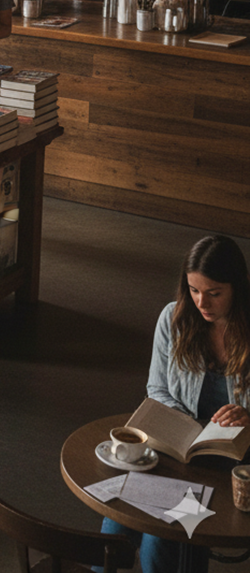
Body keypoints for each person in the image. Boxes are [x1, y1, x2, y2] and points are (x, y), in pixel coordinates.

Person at [99, 235, 250, 573]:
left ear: (237, 287)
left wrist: (248, 416)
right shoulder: (173, 318)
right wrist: (184, 426)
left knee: (162, 537)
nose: (202, 302)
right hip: (178, 451)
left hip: (232, 464)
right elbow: (157, 388)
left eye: (214, 293)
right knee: (119, 518)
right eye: (194, 290)